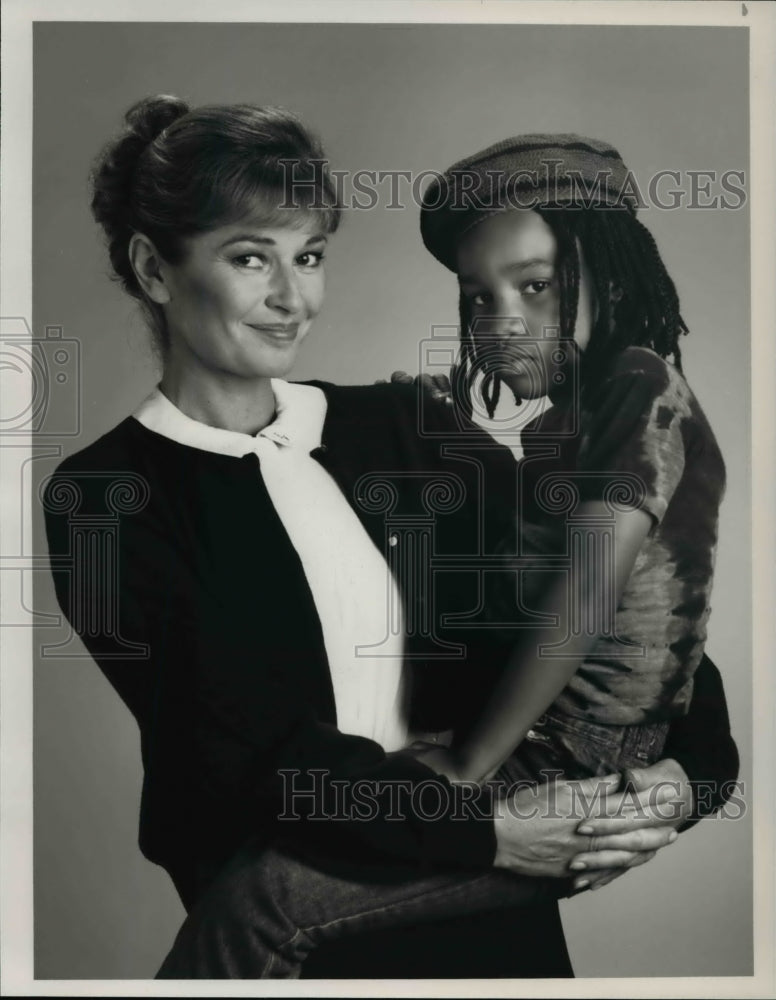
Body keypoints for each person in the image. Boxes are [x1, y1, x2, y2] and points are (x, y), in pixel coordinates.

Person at [42, 98, 738, 979]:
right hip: (314, 943)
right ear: (153, 268)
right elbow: (250, 758)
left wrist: (687, 782)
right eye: (251, 258)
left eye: (311, 256)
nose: (293, 298)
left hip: (492, 942)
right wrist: (485, 830)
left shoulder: (401, 427)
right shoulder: (104, 501)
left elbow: (614, 606)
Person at [407, 133, 727, 795]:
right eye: (478, 298)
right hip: (529, 728)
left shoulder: (639, 381)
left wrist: (469, 765)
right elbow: (537, 546)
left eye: (536, 285)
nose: (503, 324)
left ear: (609, 276)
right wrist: (460, 439)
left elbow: (584, 595)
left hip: (577, 751)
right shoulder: (567, 418)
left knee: (270, 890)